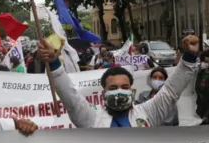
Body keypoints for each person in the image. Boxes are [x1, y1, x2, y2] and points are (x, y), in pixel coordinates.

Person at [36, 35, 199, 128]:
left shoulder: (147, 113)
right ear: (104, 93)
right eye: (113, 87)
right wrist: (54, 63)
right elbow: (70, 97)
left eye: (125, 87)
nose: (119, 91)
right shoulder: (91, 117)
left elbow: (171, 92)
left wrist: (190, 57)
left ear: (131, 91)